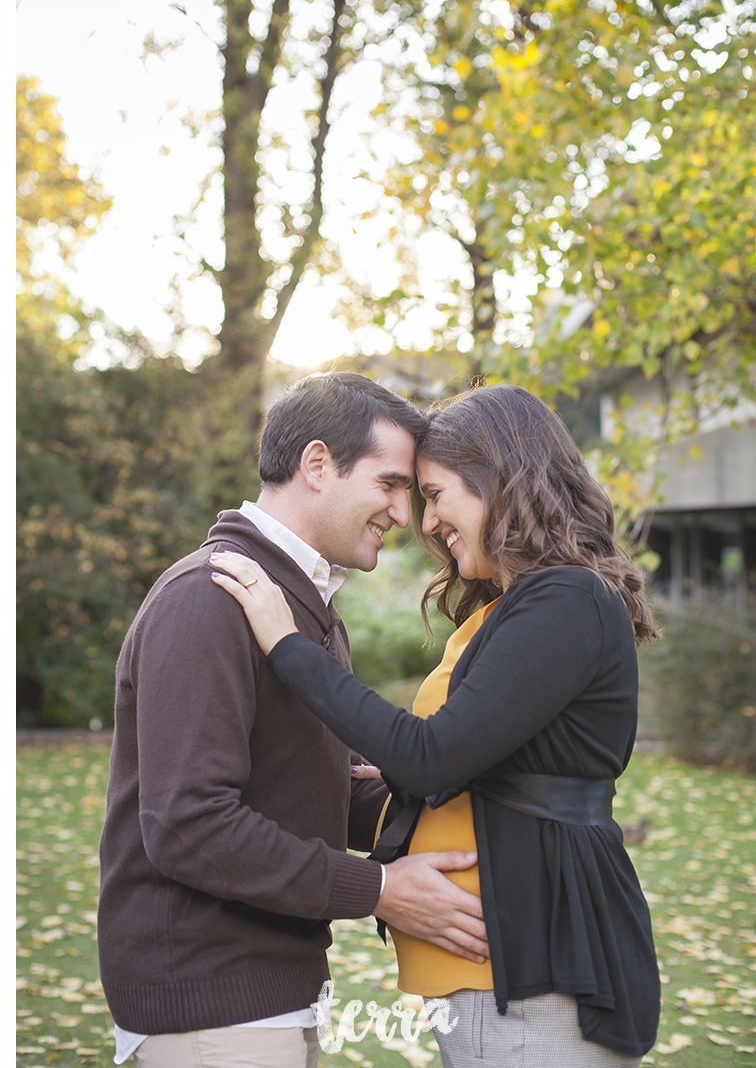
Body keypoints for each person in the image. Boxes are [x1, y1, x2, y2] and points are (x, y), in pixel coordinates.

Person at [211, 383, 660, 1064]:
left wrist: (288, 645)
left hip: (530, 967)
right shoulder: (515, 607)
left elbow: (432, 757)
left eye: (435, 492)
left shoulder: (565, 598)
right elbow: (471, 760)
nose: (423, 521)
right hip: (496, 971)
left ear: (498, 478)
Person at [98, 371, 491, 1068]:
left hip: (270, 993)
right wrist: (380, 890)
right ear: (317, 465)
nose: (405, 515)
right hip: (209, 1000)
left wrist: (489, 817)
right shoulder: (213, 597)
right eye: (391, 484)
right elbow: (189, 823)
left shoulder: (296, 609)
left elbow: (311, 786)